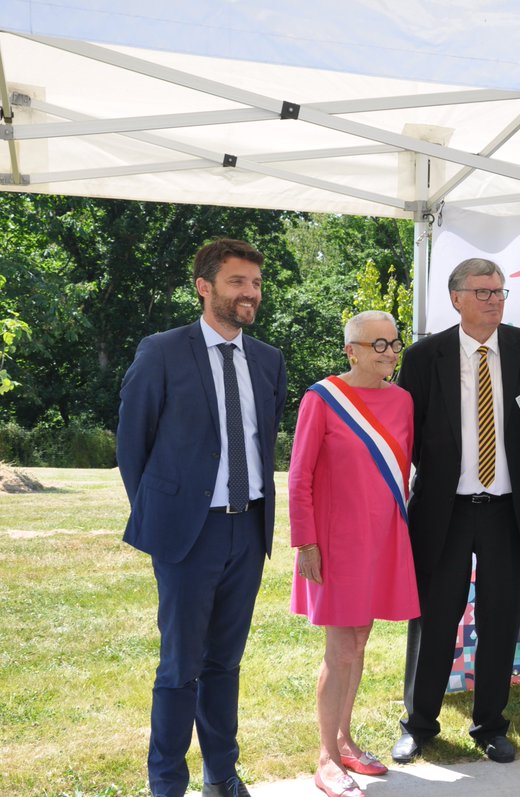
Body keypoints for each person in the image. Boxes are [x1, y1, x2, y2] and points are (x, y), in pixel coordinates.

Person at [117, 238, 287, 797]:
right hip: (189, 533)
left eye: (256, 284)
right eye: (238, 282)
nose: (250, 293)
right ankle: (166, 781)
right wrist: (164, 516)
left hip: (249, 527)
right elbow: (132, 444)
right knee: (181, 665)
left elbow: (263, 443)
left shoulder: (267, 359)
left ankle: (221, 773)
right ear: (205, 286)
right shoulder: (162, 350)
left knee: (225, 664)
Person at [391, 258, 520, 765]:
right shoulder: (424, 356)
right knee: (435, 621)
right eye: (482, 292)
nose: (493, 300)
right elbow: (407, 433)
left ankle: (490, 726)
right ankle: (419, 723)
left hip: (508, 510)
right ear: (455, 297)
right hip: (446, 510)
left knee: (501, 622)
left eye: (499, 292)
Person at [289, 311, 420, 797]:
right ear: (352, 350)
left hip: (383, 539)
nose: (389, 353)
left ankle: (344, 740)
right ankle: (325, 757)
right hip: (335, 543)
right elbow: (299, 476)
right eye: (378, 344)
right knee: (340, 649)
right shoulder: (322, 399)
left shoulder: (404, 401)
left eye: (393, 344)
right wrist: (305, 543)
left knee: (359, 643)